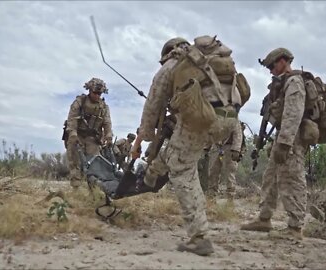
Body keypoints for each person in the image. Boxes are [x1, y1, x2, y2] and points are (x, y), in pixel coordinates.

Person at [132, 35, 244, 256]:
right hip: (230, 119)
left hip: (203, 117)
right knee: (178, 153)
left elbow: (152, 105)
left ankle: (199, 236)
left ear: (167, 53)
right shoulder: (206, 60)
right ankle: (151, 175)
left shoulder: (172, 65)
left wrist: (143, 137)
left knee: (182, 168)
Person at [241, 48, 308, 240]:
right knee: (270, 178)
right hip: (282, 137)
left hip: (291, 138)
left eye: (272, 65)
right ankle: (264, 219)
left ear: (284, 61)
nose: (270, 70)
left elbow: (293, 114)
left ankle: (295, 228)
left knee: (292, 179)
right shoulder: (281, 83)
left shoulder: (294, 82)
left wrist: (285, 143)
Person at [65, 78, 113, 189]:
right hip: (78, 136)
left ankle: (94, 190)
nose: (97, 96)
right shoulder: (80, 101)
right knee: (75, 162)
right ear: (89, 90)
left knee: (95, 164)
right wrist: (72, 133)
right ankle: (76, 188)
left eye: (99, 93)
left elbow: (107, 122)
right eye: (95, 93)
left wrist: (108, 135)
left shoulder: (104, 107)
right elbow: (72, 119)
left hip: (93, 139)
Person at [206, 121, 244, 199]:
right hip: (216, 146)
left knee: (230, 174)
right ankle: (211, 195)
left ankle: (230, 198)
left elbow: (238, 134)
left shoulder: (234, 118)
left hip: (229, 148)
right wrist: (206, 147)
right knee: (212, 172)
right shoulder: (216, 117)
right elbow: (210, 132)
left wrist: (236, 149)